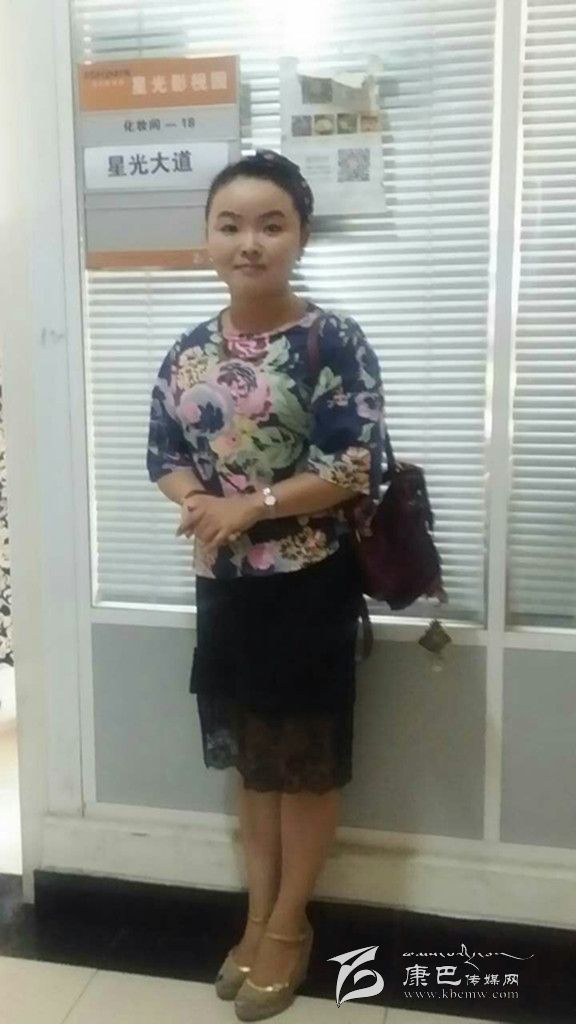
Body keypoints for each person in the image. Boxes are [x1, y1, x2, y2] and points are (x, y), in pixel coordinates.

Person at [146, 148, 386, 1021]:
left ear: (300, 236)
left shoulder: (332, 340)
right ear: (208, 238)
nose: (249, 242)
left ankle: (290, 927)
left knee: (305, 766)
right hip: (226, 585)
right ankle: (255, 919)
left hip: (311, 582)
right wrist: (200, 503)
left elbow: (356, 465)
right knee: (253, 762)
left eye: (271, 224)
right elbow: (163, 454)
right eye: (231, 225)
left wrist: (253, 505)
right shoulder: (189, 350)